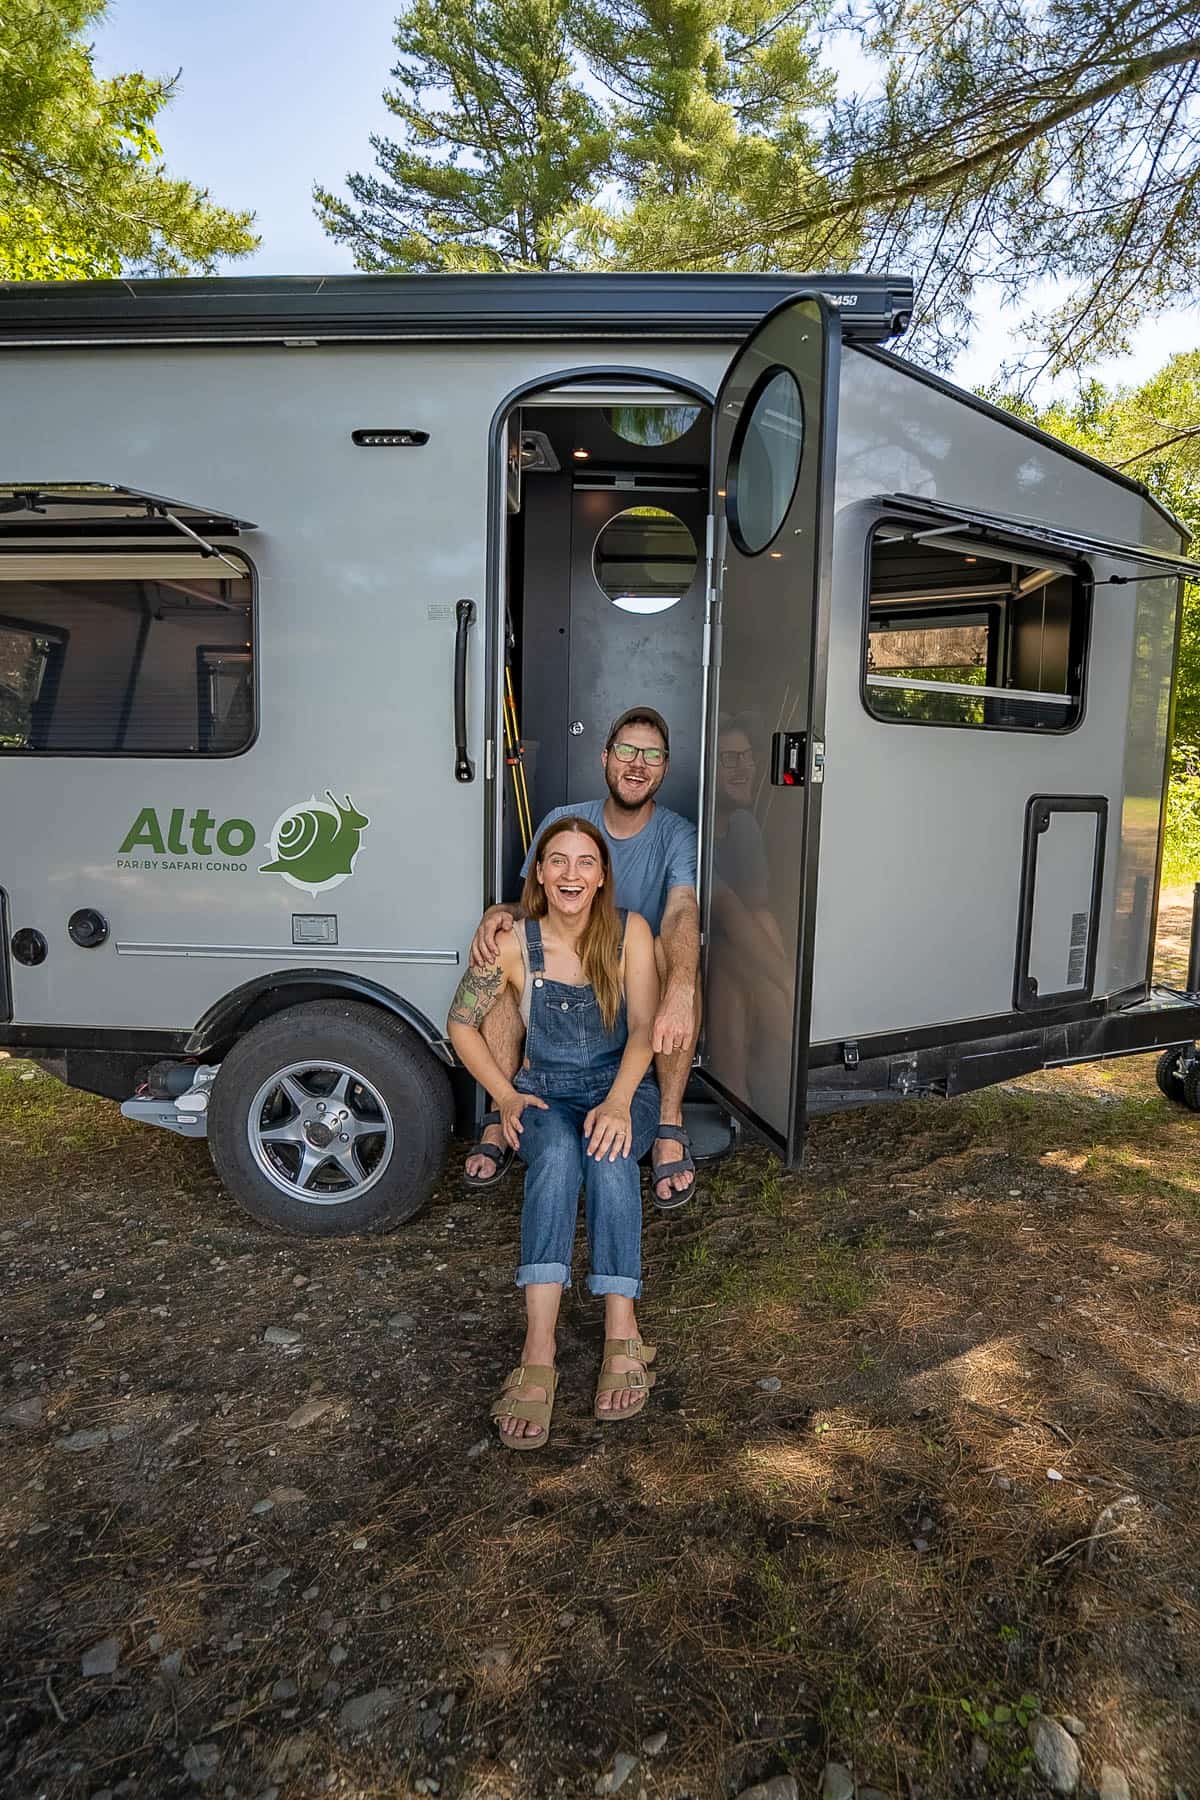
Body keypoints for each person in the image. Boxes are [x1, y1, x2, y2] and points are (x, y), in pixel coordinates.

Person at [447, 818, 661, 1448]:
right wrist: (506, 1094)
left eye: (586, 863)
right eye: (558, 862)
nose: (572, 874)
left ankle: (621, 1329)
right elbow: (461, 1023)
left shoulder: (630, 934)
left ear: (601, 876)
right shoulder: (514, 943)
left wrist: (620, 1102)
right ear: (538, 874)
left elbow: (646, 1027)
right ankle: (538, 1345)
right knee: (562, 1154)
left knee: (610, 1151)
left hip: (622, 1085)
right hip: (544, 1091)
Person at [463, 706, 700, 1208]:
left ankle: (668, 1124)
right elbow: (531, 906)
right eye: (627, 751)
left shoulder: (677, 833)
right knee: (501, 963)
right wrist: (496, 915)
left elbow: (681, 909)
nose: (638, 764)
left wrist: (682, 985)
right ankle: (503, 1113)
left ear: (665, 767)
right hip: (561, 974)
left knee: (677, 961)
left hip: (630, 978)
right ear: (605, 758)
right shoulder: (566, 823)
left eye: (652, 755)